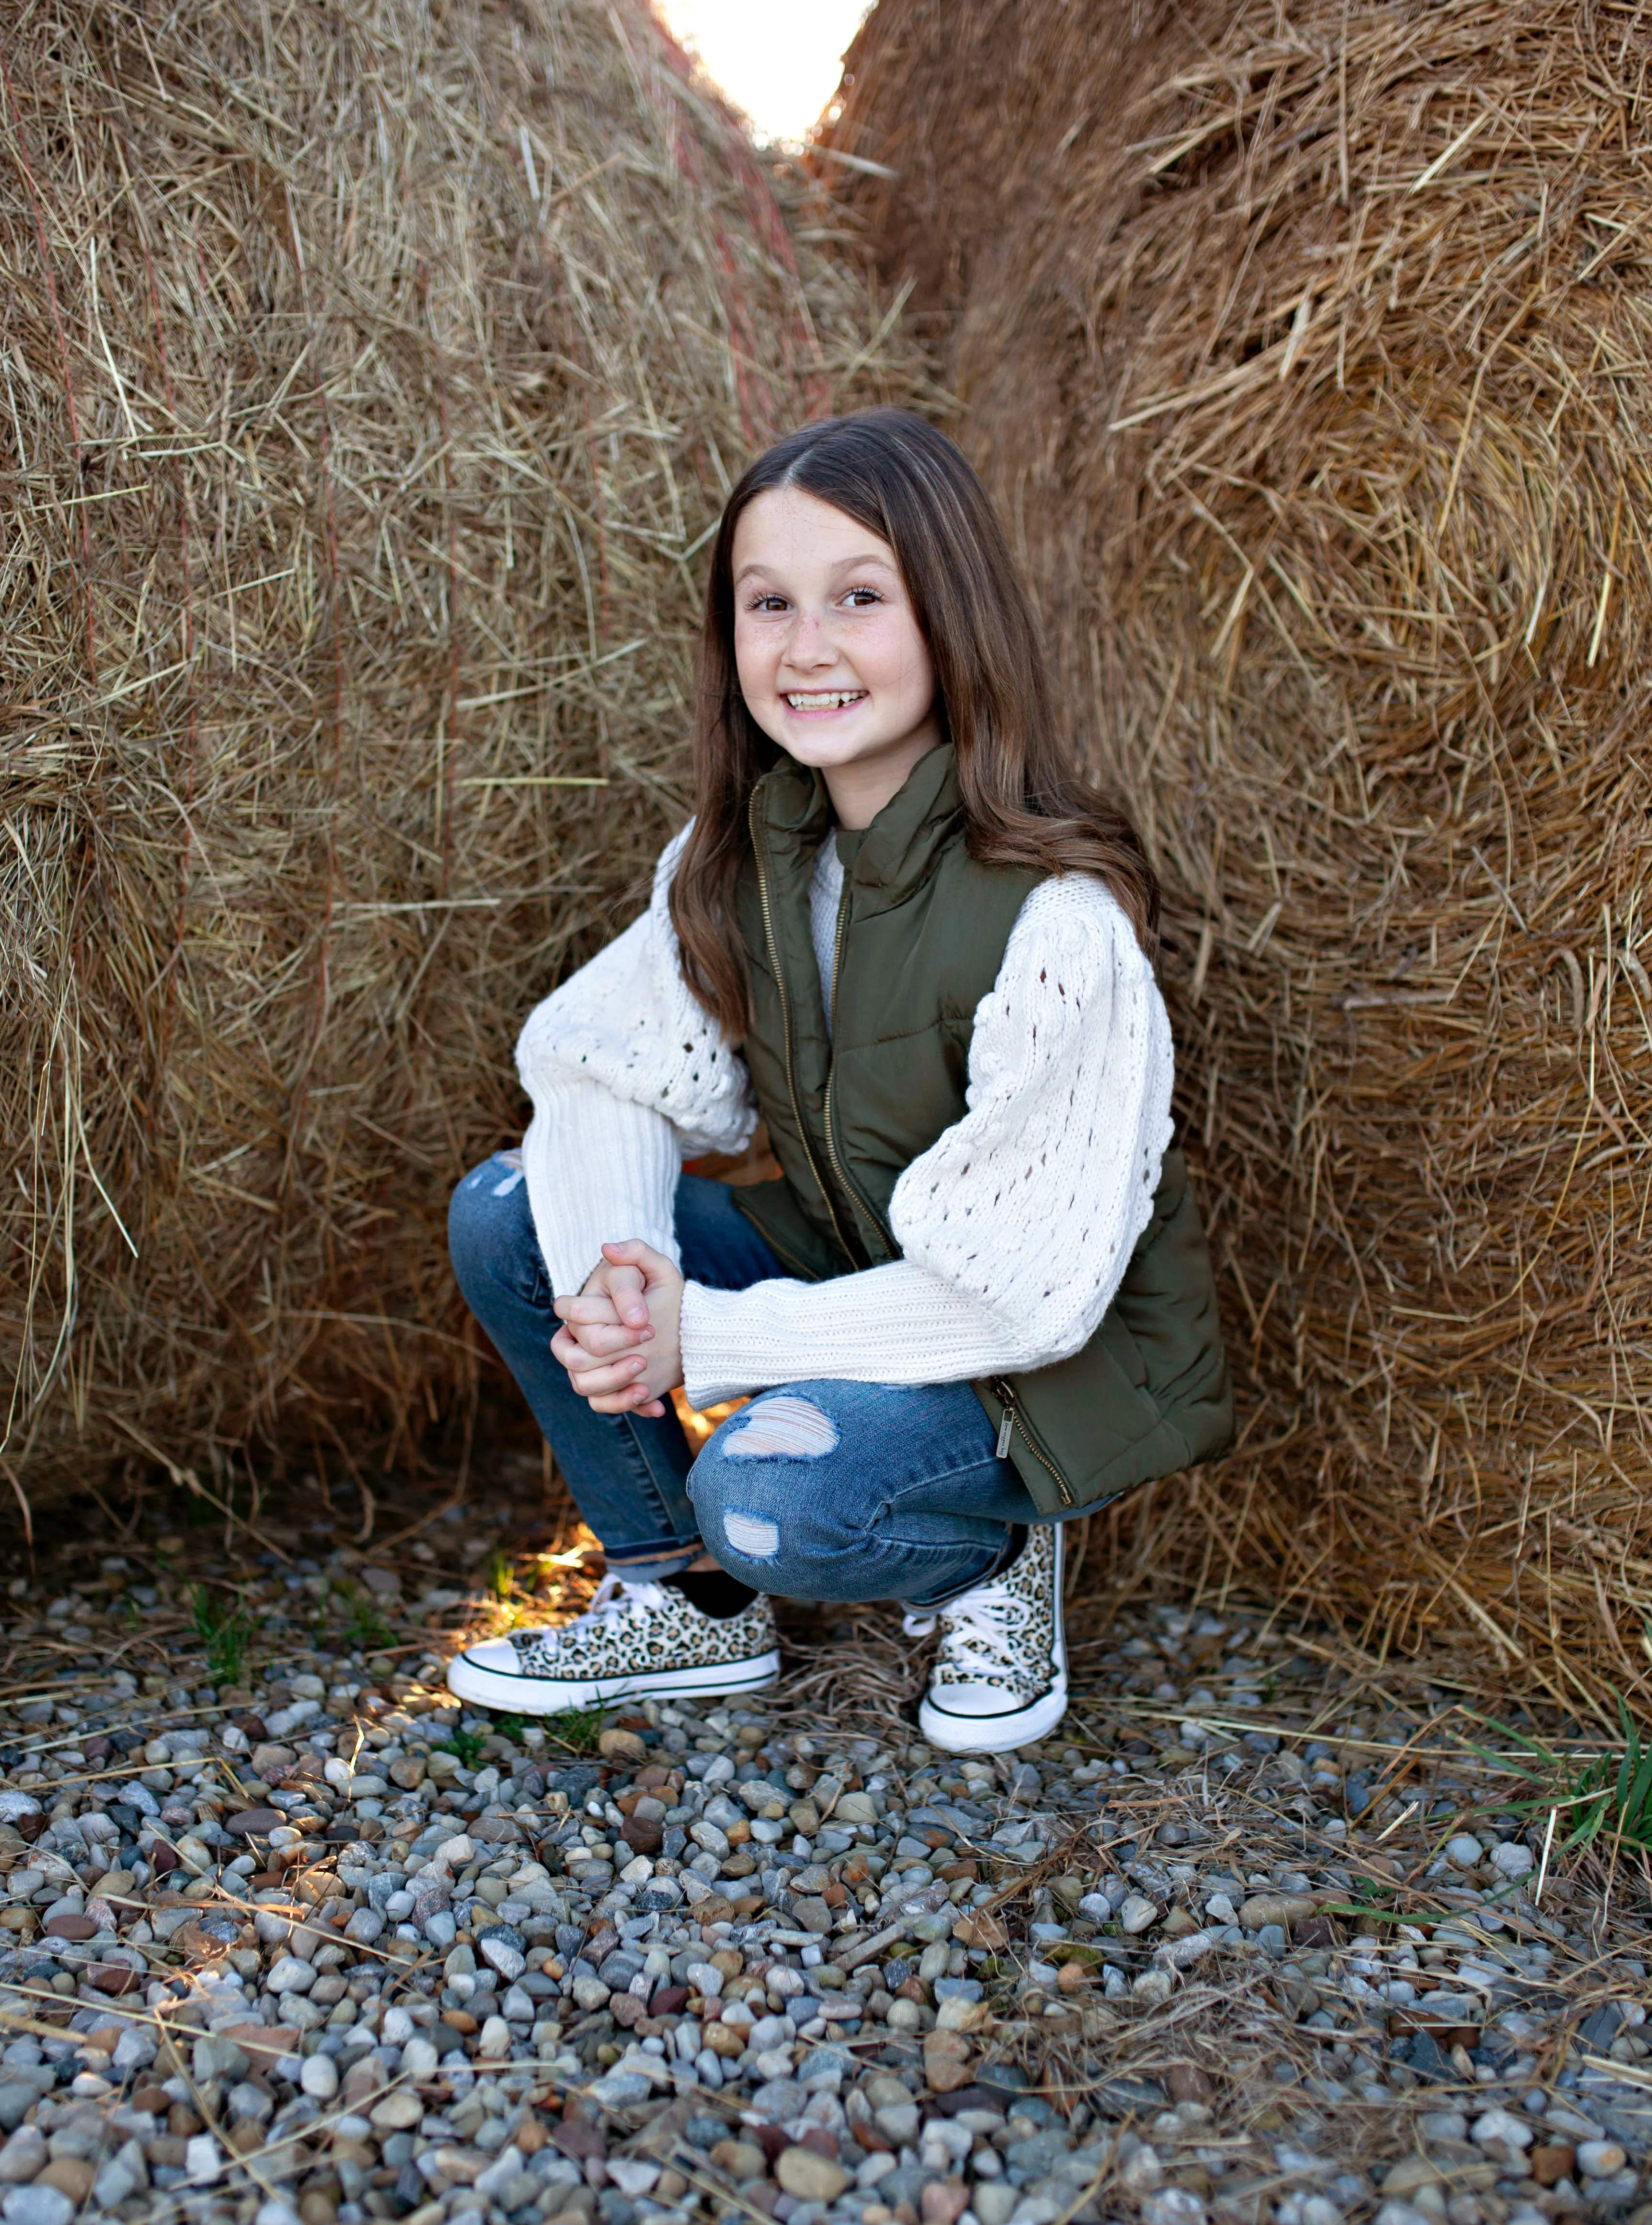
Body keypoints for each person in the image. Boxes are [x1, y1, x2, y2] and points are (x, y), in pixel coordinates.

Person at [446, 409, 1230, 1750]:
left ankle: (992, 1556)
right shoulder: (743, 856)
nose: (806, 647)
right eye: (769, 604)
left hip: (1048, 1353)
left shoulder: (1058, 922)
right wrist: (624, 1276)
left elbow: (1019, 1298)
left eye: (859, 598)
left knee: (771, 1500)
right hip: (855, 1260)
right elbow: (598, 1067)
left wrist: (707, 1341)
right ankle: (685, 1605)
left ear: (951, 617)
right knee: (515, 1212)